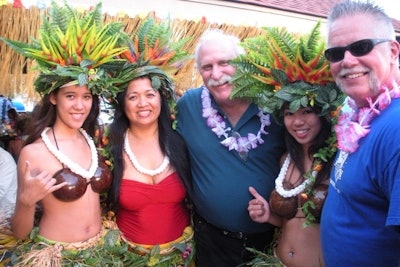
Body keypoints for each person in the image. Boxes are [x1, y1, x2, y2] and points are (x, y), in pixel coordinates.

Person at [1, 2, 129, 265]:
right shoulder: (34, 151)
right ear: (53, 98)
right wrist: (26, 202)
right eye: (70, 96)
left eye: (86, 97)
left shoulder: (91, 141)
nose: (80, 105)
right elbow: (20, 232)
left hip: (100, 252)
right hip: (57, 255)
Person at [176, 29, 286, 267]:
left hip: (268, 240)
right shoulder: (189, 106)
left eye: (225, 63)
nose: (217, 74)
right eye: (207, 67)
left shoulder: (275, 104)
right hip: (211, 240)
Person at [241, 23, 343, 267]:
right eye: (288, 114)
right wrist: (268, 214)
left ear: (324, 114)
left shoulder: (338, 160)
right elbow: (290, 220)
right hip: (277, 261)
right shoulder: (286, 159)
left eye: (307, 111)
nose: (297, 121)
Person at [320, 1, 400, 266]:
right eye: (336, 53)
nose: (348, 61)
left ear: (392, 51)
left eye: (362, 47)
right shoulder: (359, 111)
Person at [106, 65, 194, 266]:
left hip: (181, 257)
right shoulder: (109, 149)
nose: (143, 103)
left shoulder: (180, 143)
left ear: (161, 99)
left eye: (150, 94)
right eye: (133, 97)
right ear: (122, 104)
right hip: (128, 258)